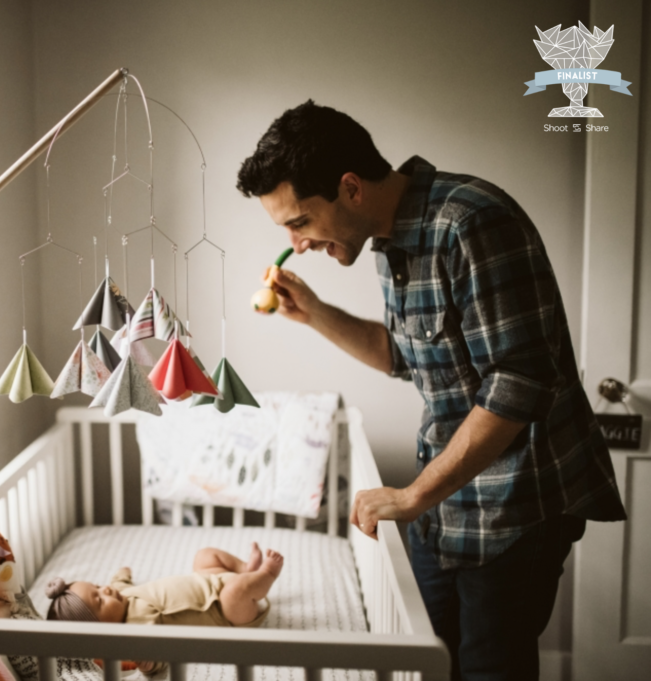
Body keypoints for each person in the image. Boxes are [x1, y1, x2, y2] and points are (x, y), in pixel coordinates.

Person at [235, 98, 626, 681]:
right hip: (449, 503)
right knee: (425, 663)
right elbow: (405, 356)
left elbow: (518, 383)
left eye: (299, 221)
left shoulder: (470, 222)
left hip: (517, 507)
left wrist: (413, 495)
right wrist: (315, 313)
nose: (297, 243)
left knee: (489, 669)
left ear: (350, 188)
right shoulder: (389, 239)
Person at [45, 543, 281, 673]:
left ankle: (244, 568)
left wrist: (121, 574)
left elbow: (118, 585)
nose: (105, 590)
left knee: (204, 555)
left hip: (209, 580)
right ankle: (266, 576)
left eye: (97, 586)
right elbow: (159, 652)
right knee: (235, 592)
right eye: (99, 601)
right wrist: (149, 665)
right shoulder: (135, 628)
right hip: (226, 612)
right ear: (101, 632)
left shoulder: (120, 596)